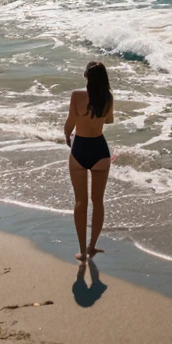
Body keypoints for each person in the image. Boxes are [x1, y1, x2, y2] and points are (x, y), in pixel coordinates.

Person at [64, 61, 114, 262]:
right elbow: (108, 120)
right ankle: (92, 246)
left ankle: (82, 251)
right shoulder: (108, 97)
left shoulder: (77, 96)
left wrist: (68, 137)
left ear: (85, 75)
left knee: (80, 202)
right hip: (100, 150)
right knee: (98, 202)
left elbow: (70, 123)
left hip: (80, 148)